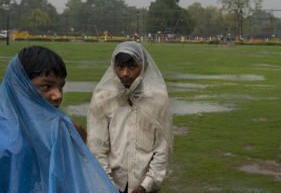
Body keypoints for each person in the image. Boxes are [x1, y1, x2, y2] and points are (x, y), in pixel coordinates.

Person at [0, 45, 118, 193]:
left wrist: (76, 146)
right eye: (46, 86)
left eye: (60, 86)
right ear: (21, 87)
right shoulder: (5, 135)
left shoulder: (64, 130)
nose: (58, 95)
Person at [87, 41, 173, 193]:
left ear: (144, 68)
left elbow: (162, 148)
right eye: (120, 67)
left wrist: (145, 185)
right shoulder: (103, 99)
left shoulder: (157, 99)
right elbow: (97, 148)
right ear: (114, 68)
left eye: (132, 67)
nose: (125, 73)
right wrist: (110, 187)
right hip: (110, 185)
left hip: (146, 187)